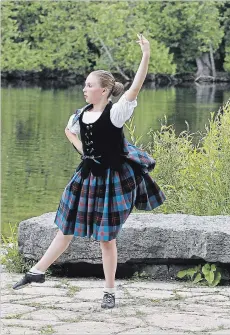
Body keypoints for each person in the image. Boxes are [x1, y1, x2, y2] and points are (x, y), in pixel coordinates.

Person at [13, 34, 166, 309]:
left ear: (104, 90)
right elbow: (69, 131)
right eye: (85, 85)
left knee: (106, 239)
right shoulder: (80, 114)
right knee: (66, 227)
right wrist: (81, 148)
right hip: (86, 176)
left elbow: (136, 87)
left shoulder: (117, 113)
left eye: (89, 85)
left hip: (112, 179)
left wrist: (146, 55)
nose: (85, 89)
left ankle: (109, 291)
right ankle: (37, 272)